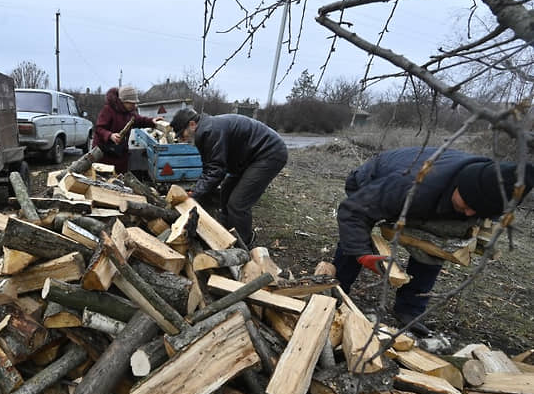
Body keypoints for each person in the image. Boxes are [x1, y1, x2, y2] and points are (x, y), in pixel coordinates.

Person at [333, 146, 534, 335]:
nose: (470, 212)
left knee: (438, 244)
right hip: (372, 180)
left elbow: (478, 212)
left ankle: (409, 309)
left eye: (478, 210)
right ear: (463, 185)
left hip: (429, 199)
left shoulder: (496, 187)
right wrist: (362, 253)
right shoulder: (412, 184)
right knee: (356, 235)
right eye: (468, 203)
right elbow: (353, 212)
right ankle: (337, 288)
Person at [170, 108, 288, 246]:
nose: (182, 138)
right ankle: (226, 234)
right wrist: (197, 190)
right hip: (249, 158)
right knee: (225, 191)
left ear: (192, 124)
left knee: (238, 202)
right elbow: (210, 167)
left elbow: (216, 170)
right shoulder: (206, 130)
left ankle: (245, 244)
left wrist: (195, 193)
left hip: (268, 154)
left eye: (181, 133)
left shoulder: (209, 131)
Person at [93, 86, 161, 172]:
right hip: (105, 154)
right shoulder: (108, 110)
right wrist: (110, 135)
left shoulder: (130, 113)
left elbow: (140, 121)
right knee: (105, 179)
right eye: (131, 103)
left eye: (135, 103)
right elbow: (99, 128)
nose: (134, 105)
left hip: (120, 153)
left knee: (120, 179)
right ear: (122, 101)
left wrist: (152, 121)